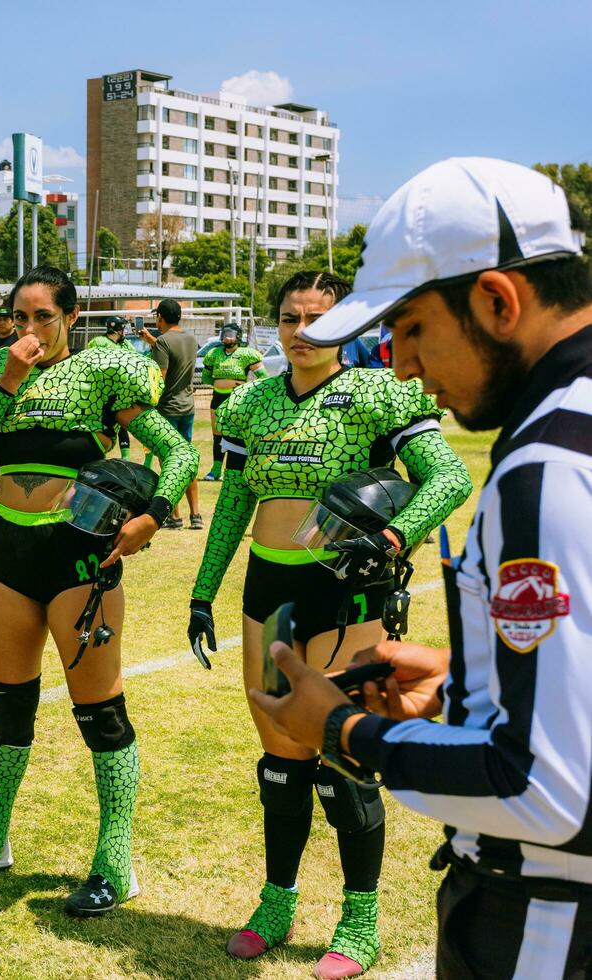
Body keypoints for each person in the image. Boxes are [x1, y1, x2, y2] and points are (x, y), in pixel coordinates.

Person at [250, 157, 592, 978]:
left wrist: (345, 729)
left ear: (496, 301)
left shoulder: (548, 466)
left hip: (545, 920)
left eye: (409, 329)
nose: (399, 363)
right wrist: (466, 682)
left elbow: (547, 793)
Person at [186, 268, 472, 978]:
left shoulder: (379, 390)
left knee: (344, 756)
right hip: (269, 585)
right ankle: (276, 901)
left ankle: (359, 919)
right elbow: (232, 505)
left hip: (344, 590)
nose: (301, 332)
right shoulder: (250, 401)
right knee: (281, 757)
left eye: (318, 319)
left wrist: (393, 537)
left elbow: (448, 479)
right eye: (289, 317)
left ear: (349, 325)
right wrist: (202, 590)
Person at [0, 266, 198, 916]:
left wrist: (153, 514)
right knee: (9, 704)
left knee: (100, 711)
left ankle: (116, 860)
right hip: (7, 556)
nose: (28, 331)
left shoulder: (108, 370)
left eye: (42, 318)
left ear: (70, 317)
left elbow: (181, 453)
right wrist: (8, 380)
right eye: (19, 318)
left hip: (81, 556)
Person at [141, 299, 202, 529]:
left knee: (169, 463)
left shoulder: (163, 342)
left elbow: (161, 378)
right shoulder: (190, 339)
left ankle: (174, 516)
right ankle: (196, 515)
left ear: (159, 317)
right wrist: (152, 341)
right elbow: (175, 353)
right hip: (188, 407)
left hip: (167, 410)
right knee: (187, 459)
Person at [200, 323, 267, 481]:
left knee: (235, 435)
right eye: (224, 333)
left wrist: (247, 386)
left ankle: (235, 470)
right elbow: (205, 377)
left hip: (237, 401)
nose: (227, 337)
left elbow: (264, 378)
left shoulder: (247, 354)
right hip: (217, 399)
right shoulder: (213, 353)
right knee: (217, 435)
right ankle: (216, 470)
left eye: (230, 333)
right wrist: (219, 384)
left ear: (238, 336)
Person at [88, 318, 147, 460]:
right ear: (116, 329)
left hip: (120, 392)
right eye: (123, 328)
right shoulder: (98, 342)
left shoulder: (126, 344)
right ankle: (97, 455)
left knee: (122, 425)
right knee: (101, 425)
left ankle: (125, 458)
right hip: (102, 392)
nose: (125, 331)